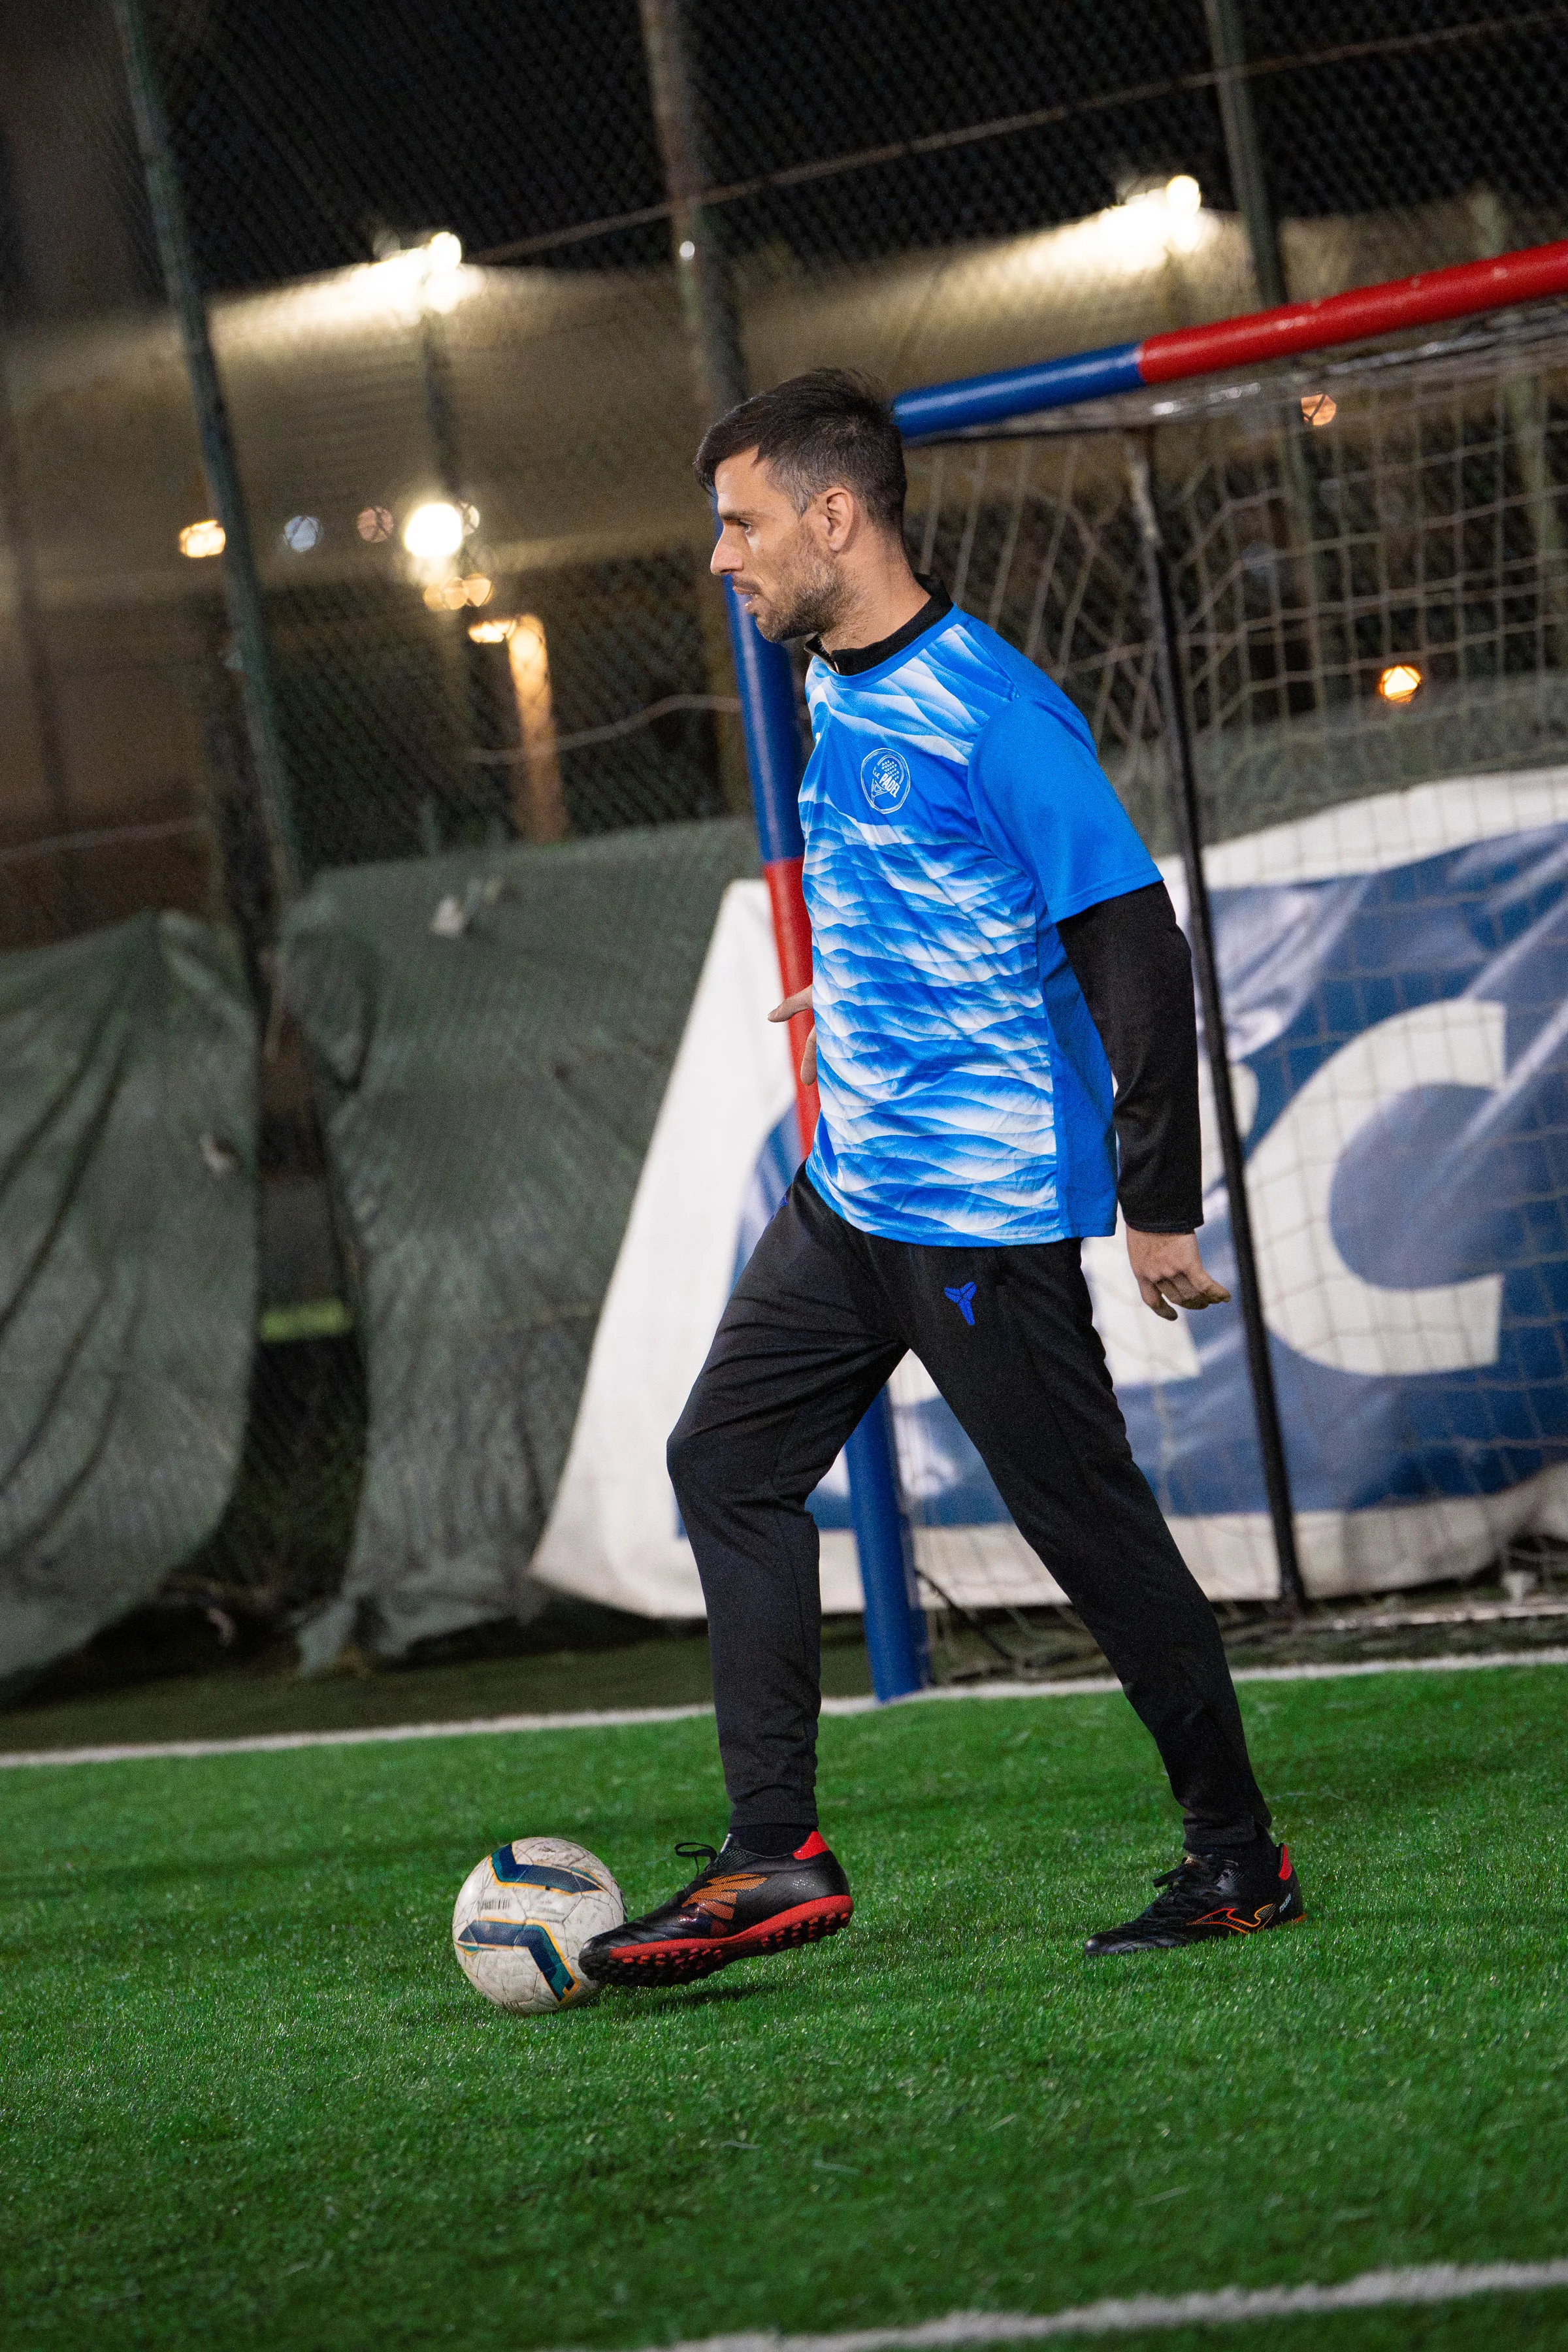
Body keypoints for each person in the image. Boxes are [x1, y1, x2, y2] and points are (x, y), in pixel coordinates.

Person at [580, 370, 1302, 1989]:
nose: (723, 559)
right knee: (727, 1461)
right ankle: (776, 1853)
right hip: (857, 1193)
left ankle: (1239, 1858)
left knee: (1090, 1534)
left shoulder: (991, 706)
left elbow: (1133, 943)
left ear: (836, 517)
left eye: (741, 523)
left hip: (979, 1212)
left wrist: (1156, 1199)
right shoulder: (839, 680)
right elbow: (944, 889)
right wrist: (864, 983)